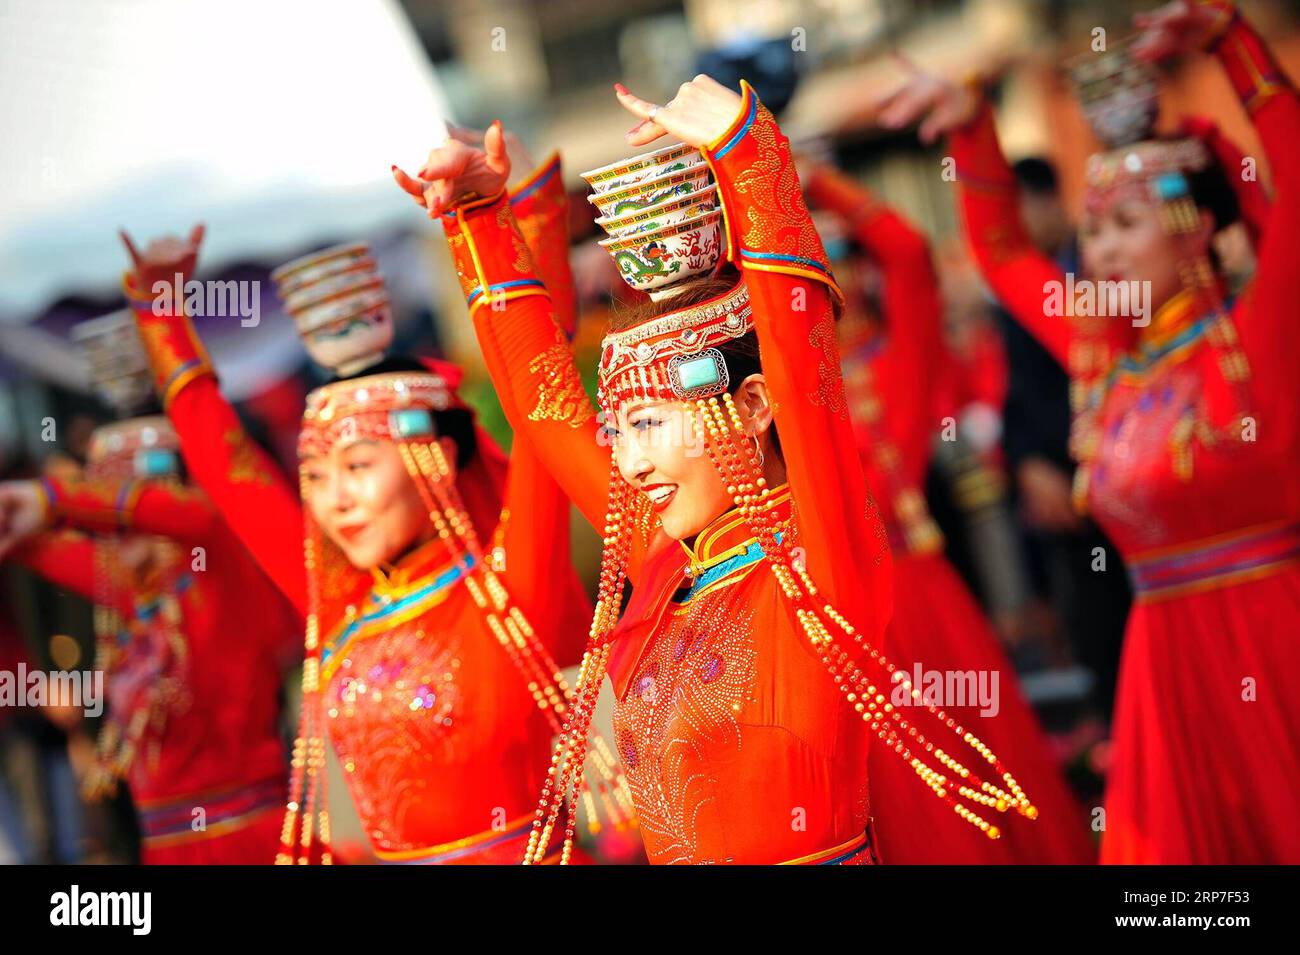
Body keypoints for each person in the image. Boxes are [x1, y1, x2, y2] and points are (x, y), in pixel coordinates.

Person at [397, 75, 1041, 864]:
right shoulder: (660, 565)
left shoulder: (818, 564)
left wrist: (749, 153)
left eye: (649, 423)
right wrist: (482, 221)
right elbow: (542, 407)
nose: (626, 462)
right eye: (618, 428)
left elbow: (810, 376)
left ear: (754, 405)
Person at [879, 0, 1299, 862]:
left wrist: (1235, 48)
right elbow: (1002, 253)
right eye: (1093, 227)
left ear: (1201, 231)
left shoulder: (1263, 335)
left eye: (1127, 223)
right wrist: (973, 131)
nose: (1098, 250)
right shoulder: (1103, 358)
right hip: (1163, 663)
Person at [117, 138, 616, 864]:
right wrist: (162, 315)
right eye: (315, 476)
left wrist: (487, 222)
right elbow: (232, 474)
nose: (334, 499)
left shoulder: (508, 591)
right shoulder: (340, 606)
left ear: (434, 457)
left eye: (356, 465)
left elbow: (540, 406)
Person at [804, 164, 1094, 862]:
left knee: (978, 770)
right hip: (841, 614)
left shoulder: (902, 355)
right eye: (814, 268)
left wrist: (811, 178)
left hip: (921, 591)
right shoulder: (783, 384)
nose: (836, 279)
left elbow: (905, 249)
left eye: (843, 259)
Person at [0, 416, 299, 864]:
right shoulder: (133, 595)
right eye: (97, 491)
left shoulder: (213, 570)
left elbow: (194, 515)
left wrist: (57, 499)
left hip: (249, 844)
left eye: (120, 494)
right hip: (165, 848)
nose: (107, 517)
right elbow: (28, 544)